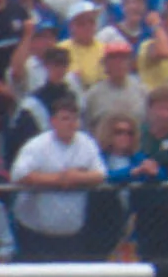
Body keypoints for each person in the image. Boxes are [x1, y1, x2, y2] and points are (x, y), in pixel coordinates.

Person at [8, 96, 102, 260]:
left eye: (74, 118)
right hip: (35, 235)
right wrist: (56, 180)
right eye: (65, 118)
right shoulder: (37, 145)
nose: (71, 123)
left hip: (72, 235)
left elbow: (100, 174)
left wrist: (76, 177)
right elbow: (19, 175)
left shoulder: (86, 143)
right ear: (53, 121)